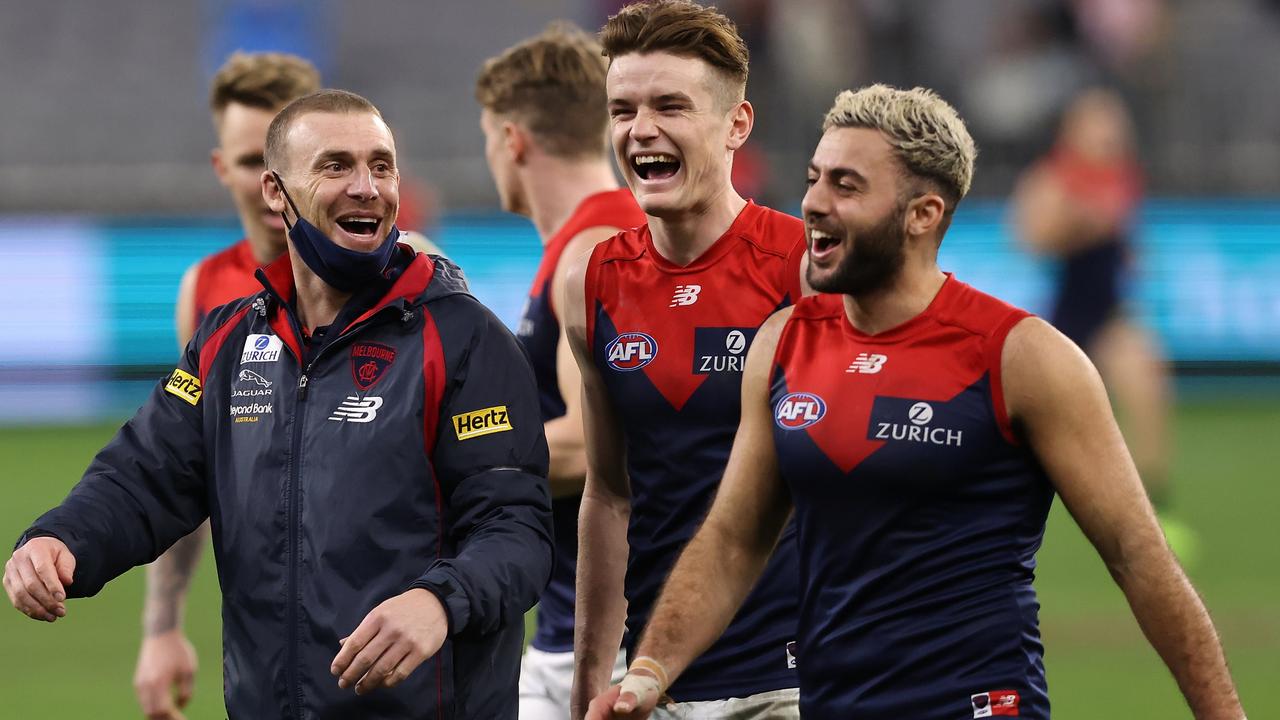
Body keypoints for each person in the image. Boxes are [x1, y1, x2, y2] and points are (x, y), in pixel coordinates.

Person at [586, 85, 1246, 720]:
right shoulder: (783, 345)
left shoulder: (1021, 357)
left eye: (846, 185)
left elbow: (1138, 557)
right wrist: (649, 673)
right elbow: (731, 542)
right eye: (815, 177)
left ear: (922, 215)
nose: (813, 202)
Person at [5, 89, 553, 719]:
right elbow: (144, 476)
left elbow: (517, 530)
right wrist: (60, 537)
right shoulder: (229, 342)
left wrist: (439, 600)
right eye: (335, 166)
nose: (366, 187)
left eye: (381, 165)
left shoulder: (465, 340)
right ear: (276, 192)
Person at [562, 2, 809, 717]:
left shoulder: (803, 267)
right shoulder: (592, 280)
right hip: (656, 683)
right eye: (623, 109)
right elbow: (609, 495)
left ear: (737, 125)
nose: (641, 130)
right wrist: (590, 682)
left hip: (795, 679)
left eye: (671, 105)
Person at [136, 51, 321, 720]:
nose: (272, 184)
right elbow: (192, 470)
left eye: (288, 162)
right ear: (222, 169)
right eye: (251, 163)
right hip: (264, 644)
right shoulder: (205, 294)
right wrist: (161, 629)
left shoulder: (403, 273)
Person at [475, 23, 647, 719]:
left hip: (617, 641)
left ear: (512, 139)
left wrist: (451, 464)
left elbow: (592, 442)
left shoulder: (600, 248)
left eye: (489, 137)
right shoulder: (587, 242)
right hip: (569, 625)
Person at [1010, 87, 1189, 557]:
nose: (1112, 133)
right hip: (1064, 321)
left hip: (1111, 317)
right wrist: (1088, 222)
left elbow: (1125, 239)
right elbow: (1031, 236)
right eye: (1101, 123)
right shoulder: (1053, 178)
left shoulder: (1122, 179)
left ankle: (1154, 512)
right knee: (1039, 422)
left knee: (1148, 387)